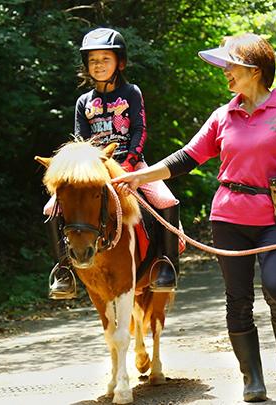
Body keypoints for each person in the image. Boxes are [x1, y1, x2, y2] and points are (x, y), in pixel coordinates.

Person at [112, 33, 276, 403]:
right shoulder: (223, 115)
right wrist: (137, 177)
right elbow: (186, 158)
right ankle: (253, 380)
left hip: (275, 218)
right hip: (228, 217)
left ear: (254, 69)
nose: (226, 74)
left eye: (231, 66)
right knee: (238, 299)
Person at [45, 27, 181, 300]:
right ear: (86, 66)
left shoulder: (131, 92)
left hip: (132, 165)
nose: (98, 65)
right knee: (51, 208)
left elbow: (140, 129)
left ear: (120, 62)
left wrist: (131, 161)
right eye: (93, 60)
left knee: (167, 200)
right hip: (95, 172)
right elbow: (80, 141)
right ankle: (63, 270)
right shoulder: (84, 101)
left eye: (105, 59)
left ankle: (165, 265)